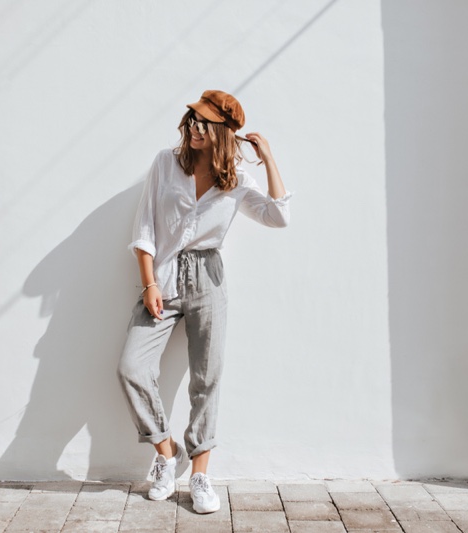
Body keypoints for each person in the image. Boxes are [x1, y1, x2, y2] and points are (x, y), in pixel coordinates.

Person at [117, 90, 291, 513]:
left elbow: (278, 216)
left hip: (208, 279)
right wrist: (149, 285)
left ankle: (199, 474)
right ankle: (166, 453)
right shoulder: (165, 163)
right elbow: (144, 228)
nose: (194, 128)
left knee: (206, 379)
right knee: (132, 367)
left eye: (205, 124)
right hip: (163, 276)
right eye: (192, 119)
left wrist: (267, 158)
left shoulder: (234, 183)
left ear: (223, 133)